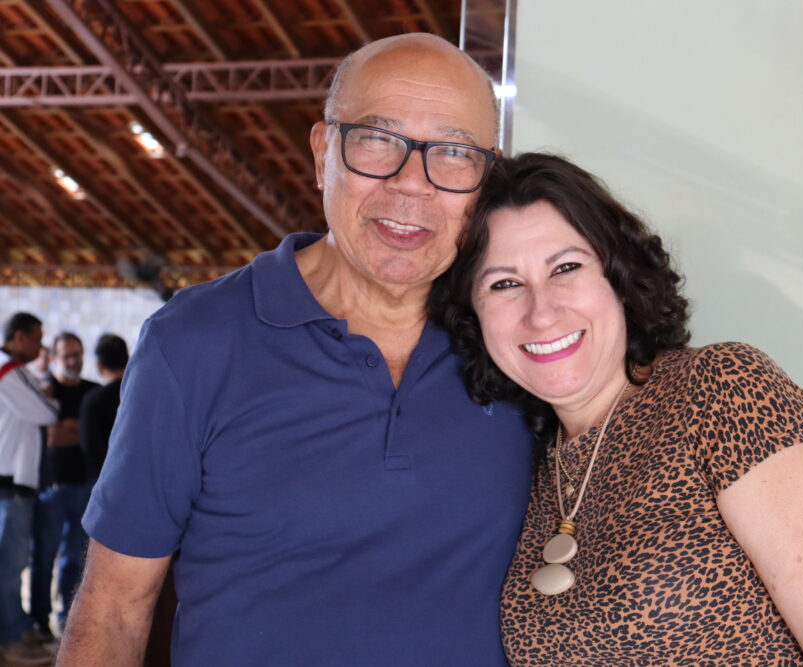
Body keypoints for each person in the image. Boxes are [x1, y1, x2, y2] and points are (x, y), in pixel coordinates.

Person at [57, 33, 532, 667]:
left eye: (453, 152)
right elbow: (114, 607)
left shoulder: (521, 338)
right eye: (377, 139)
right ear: (321, 152)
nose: (410, 183)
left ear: (487, 180)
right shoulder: (196, 340)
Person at [434, 152, 803, 665]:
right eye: (503, 283)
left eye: (566, 267)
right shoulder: (538, 459)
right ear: (475, 314)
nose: (541, 312)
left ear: (618, 277)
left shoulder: (723, 388)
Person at [0, 312, 59, 665]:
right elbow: (45, 412)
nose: (40, 346)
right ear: (19, 337)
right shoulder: (8, 368)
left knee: (12, 561)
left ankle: (17, 628)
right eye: (36, 338)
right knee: (10, 563)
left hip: (12, 479)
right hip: (10, 481)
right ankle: (11, 637)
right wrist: (50, 400)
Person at [31, 332, 98, 637]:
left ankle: (67, 619)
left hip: (86, 488)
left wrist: (69, 430)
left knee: (75, 560)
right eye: (67, 355)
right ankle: (39, 622)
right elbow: (51, 436)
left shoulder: (93, 392)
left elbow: (95, 437)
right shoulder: (46, 392)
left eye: (77, 354)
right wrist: (72, 431)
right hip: (52, 488)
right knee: (44, 557)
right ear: (55, 358)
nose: (73, 361)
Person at [79, 334, 129, 483]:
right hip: (140, 477)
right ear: (128, 359)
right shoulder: (142, 394)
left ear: (99, 364)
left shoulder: (93, 399)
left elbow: (89, 447)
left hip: (104, 480)